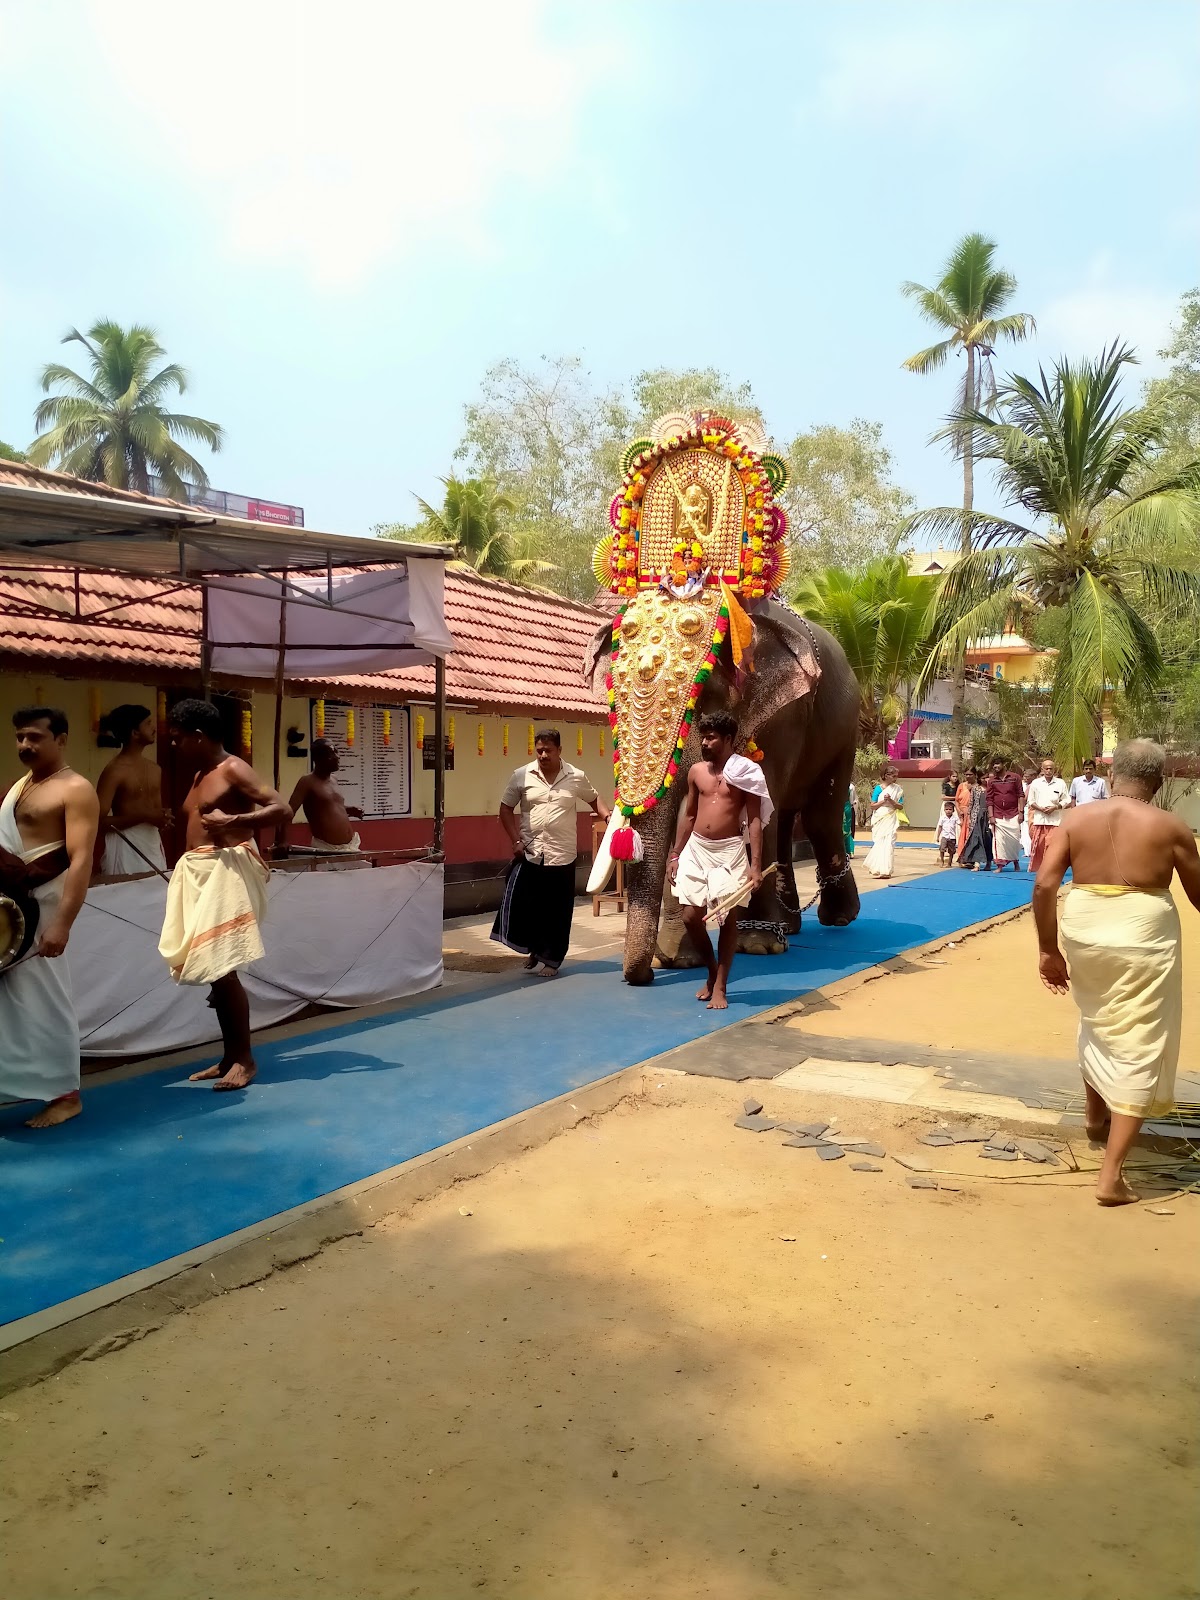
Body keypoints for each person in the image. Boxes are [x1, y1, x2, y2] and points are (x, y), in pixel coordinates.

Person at [1033, 739, 1200, 1206]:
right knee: (1140, 1041)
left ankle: (1094, 1115)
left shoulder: (1076, 819)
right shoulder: (1171, 826)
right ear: (1159, 782)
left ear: (1111, 776)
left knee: (1097, 1017)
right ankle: (1110, 1177)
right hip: (1143, 935)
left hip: (1084, 930)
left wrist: (1048, 950)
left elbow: (1046, 883)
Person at [158, 699, 291, 1091]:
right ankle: (230, 1056)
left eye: (179, 739)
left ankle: (245, 1060)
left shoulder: (233, 767)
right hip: (199, 872)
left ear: (199, 737)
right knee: (216, 972)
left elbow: (281, 808)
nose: (175, 746)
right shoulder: (200, 772)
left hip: (226, 870)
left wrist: (233, 820)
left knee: (222, 967)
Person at [0, 707, 99, 1128]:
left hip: (43, 909)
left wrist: (62, 924)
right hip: (9, 910)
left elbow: (81, 860)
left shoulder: (76, 789)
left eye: (35, 737)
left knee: (47, 998)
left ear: (61, 739)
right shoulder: (20, 786)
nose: (25, 745)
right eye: (21, 737)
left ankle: (65, 1094)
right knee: (11, 1006)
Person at [668, 711, 769, 1010]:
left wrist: (756, 865)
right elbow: (689, 815)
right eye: (703, 736)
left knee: (727, 917)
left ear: (728, 740)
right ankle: (712, 971)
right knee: (689, 916)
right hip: (696, 849)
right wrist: (675, 853)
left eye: (711, 737)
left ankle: (721, 986)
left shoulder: (747, 771)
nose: (705, 742)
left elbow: (753, 820)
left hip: (730, 851)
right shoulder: (696, 771)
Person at [492, 728, 609, 977]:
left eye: (548, 750)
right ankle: (535, 949)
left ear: (559, 751)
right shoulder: (521, 775)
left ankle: (552, 960)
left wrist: (609, 817)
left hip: (562, 854)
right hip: (531, 853)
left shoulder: (576, 776)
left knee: (558, 910)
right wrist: (515, 840)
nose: (543, 755)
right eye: (539, 750)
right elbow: (505, 809)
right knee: (529, 906)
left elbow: (594, 799)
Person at [95, 703, 170, 876]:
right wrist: (144, 816)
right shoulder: (114, 771)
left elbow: (156, 812)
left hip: (151, 842)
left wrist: (163, 818)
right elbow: (99, 822)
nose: (154, 728)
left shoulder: (155, 768)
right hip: (125, 845)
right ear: (135, 733)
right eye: (148, 723)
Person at [286, 739, 364, 852]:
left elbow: (326, 806)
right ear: (318, 759)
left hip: (350, 847)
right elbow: (288, 813)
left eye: (337, 752)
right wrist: (282, 841)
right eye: (332, 753)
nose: (337, 757)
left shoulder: (334, 779)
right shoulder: (307, 781)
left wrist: (348, 809)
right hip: (326, 850)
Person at [1026, 757, 1070, 872]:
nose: (1049, 771)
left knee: (1052, 845)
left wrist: (1056, 807)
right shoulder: (1036, 783)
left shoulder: (1060, 783)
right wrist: (1040, 809)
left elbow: (1067, 800)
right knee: (1039, 846)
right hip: (1040, 820)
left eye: (1051, 768)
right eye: (1046, 768)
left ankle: (1051, 868)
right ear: (1042, 769)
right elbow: (1030, 801)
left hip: (1055, 821)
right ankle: (1041, 868)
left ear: (1054, 770)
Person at [864, 763, 903, 879]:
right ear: (886, 775)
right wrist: (883, 801)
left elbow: (900, 806)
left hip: (890, 817)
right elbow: (873, 805)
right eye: (893, 776)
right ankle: (876, 868)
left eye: (896, 776)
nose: (895, 778)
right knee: (879, 842)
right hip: (880, 816)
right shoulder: (878, 788)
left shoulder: (898, 789)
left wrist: (891, 800)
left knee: (889, 842)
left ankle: (886, 870)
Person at [985, 756, 1024, 872]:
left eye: (998, 764)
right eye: (994, 765)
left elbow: (1020, 795)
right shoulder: (992, 781)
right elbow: (989, 799)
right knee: (999, 840)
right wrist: (991, 816)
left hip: (1013, 814)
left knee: (1014, 840)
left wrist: (1021, 812)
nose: (996, 767)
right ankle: (1000, 866)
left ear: (1003, 764)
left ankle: (1016, 863)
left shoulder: (1015, 778)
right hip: (997, 815)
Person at [955, 768, 991, 870]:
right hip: (976, 816)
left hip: (988, 817)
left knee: (987, 839)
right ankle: (976, 864)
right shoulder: (976, 789)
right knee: (976, 839)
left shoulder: (991, 789)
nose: (986, 780)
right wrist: (970, 817)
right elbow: (971, 803)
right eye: (984, 778)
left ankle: (988, 863)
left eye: (987, 777)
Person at [1020, 765, 1037, 861]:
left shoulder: (1033, 785)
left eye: (1028, 776)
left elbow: (1025, 799)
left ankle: (1030, 851)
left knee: (1029, 831)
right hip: (1029, 810)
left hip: (1030, 810)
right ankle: (1029, 851)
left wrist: (1021, 809)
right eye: (1025, 776)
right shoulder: (1027, 785)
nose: (1025, 778)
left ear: (1034, 776)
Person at [935, 798, 959, 865]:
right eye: (946, 809)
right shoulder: (942, 818)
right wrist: (938, 837)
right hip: (944, 836)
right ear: (944, 810)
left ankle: (949, 863)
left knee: (951, 851)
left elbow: (960, 824)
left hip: (952, 837)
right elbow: (940, 827)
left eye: (950, 809)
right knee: (942, 849)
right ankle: (942, 861)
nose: (948, 811)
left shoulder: (955, 818)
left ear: (953, 810)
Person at [843, 780, 857, 858]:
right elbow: (852, 801)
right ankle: (849, 851)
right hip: (847, 807)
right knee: (848, 829)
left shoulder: (833, 785)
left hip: (838, 809)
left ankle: (844, 851)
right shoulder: (851, 786)